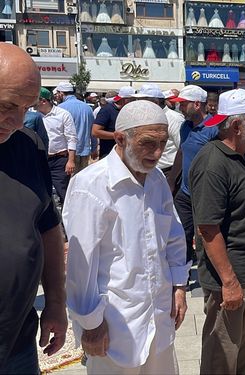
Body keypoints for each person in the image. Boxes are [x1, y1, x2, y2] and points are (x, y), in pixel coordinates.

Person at [64, 100, 189, 374]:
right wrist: (91, 323)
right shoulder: (92, 184)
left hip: (158, 316)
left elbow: (174, 237)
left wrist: (179, 286)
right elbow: (81, 264)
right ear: (120, 139)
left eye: (162, 143)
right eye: (147, 143)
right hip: (114, 324)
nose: (157, 152)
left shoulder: (156, 180)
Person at [189, 89, 245, 374]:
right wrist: (228, 282)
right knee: (221, 359)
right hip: (231, 279)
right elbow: (208, 228)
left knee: (242, 353)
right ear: (237, 125)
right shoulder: (212, 162)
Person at [0, 43, 67, 374]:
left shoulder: (28, 145)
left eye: (25, 108)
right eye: (6, 105)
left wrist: (55, 301)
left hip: (17, 343)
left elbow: (48, 226)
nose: (15, 120)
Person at [170, 85, 218, 264]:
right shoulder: (185, 126)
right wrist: (172, 179)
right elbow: (181, 152)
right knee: (180, 233)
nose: (180, 108)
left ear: (197, 105)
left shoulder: (214, 128)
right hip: (185, 192)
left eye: (183, 104)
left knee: (204, 237)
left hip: (205, 194)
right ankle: (183, 274)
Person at [37, 87, 77, 206]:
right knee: (41, 193)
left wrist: (71, 160)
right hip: (40, 159)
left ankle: (67, 222)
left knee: (63, 192)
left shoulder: (63, 115)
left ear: (43, 101)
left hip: (59, 160)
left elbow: (71, 138)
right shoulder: (34, 116)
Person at [56, 81, 97, 173]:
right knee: (80, 181)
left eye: (58, 93)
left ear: (61, 93)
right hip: (84, 150)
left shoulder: (60, 108)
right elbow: (92, 130)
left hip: (67, 153)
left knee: (67, 183)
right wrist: (94, 148)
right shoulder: (87, 108)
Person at [93, 86, 135, 159]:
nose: (134, 102)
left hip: (126, 155)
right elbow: (95, 132)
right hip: (109, 155)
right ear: (125, 100)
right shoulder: (107, 110)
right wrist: (119, 136)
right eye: (133, 99)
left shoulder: (128, 111)